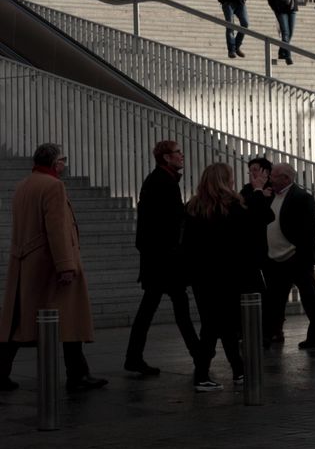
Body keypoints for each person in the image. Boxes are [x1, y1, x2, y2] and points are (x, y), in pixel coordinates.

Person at [0, 143, 108, 393]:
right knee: (70, 318)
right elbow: (57, 229)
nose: (64, 164)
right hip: (49, 265)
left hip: (26, 263)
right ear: (53, 163)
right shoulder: (53, 186)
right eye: (63, 159)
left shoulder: (23, 184)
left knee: (18, 321)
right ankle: (78, 375)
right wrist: (65, 265)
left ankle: (2, 372)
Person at [183, 163, 272, 391]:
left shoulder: (193, 208)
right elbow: (261, 218)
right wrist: (258, 190)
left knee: (219, 325)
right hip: (230, 275)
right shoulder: (232, 207)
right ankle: (203, 375)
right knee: (217, 326)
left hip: (204, 278)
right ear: (225, 181)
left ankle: (238, 370)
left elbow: (188, 246)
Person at [124, 140, 200, 376]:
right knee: (179, 309)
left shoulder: (160, 180)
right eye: (178, 152)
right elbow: (168, 221)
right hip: (165, 260)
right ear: (166, 157)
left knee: (153, 308)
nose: (182, 156)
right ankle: (199, 355)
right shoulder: (163, 182)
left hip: (158, 259)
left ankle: (134, 357)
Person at [263, 162, 315, 350]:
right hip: (275, 257)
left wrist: (298, 251)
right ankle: (272, 333)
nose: (270, 179)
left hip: (296, 258)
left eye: (273, 176)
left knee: (309, 297)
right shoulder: (271, 195)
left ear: (286, 179)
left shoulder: (302, 197)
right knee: (275, 299)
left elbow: (313, 227)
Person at [267, 0, 298, 65]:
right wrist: (276, 8)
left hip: (292, 10)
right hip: (281, 10)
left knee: (291, 33)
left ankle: (281, 51)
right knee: (285, 33)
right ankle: (288, 56)